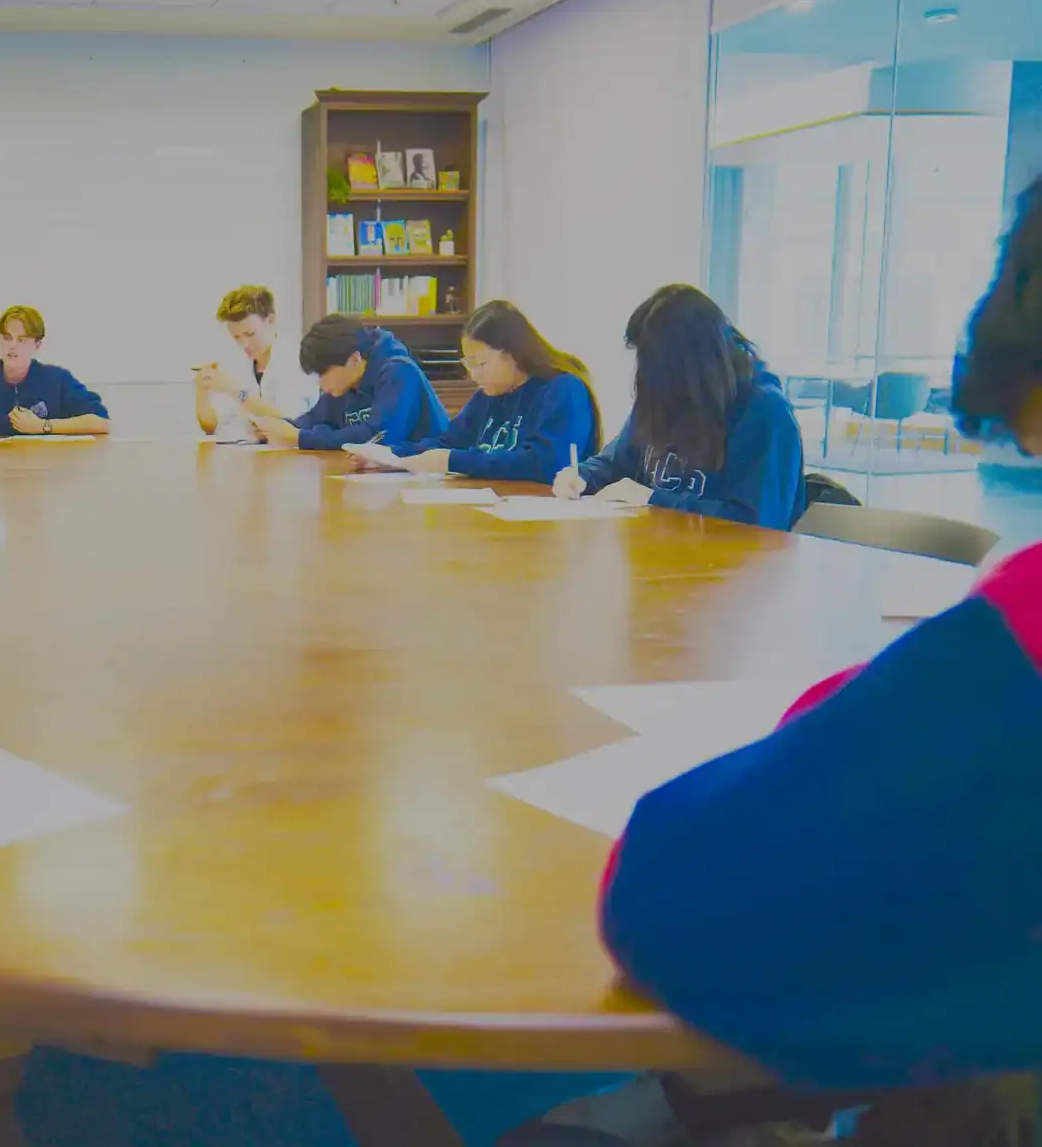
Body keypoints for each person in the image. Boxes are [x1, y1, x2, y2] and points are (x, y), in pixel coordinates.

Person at [501, 181, 1042, 1146]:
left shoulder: (1007, 647)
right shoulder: (661, 410)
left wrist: (846, 711)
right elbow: (625, 461)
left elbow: (665, 891)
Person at [550, 285, 805, 531]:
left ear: (691, 367)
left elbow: (757, 523)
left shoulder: (766, 413)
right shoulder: (663, 397)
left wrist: (653, 499)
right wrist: (582, 475)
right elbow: (615, 464)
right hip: (659, 559)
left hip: (729, 569)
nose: (648, 376)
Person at [359, 300, 600, 480]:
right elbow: (448, 441)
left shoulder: (563, 390)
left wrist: (455, 461)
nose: (474, 375)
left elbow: (546, 463)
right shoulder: (488, 397)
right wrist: (388, 455)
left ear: (512, 353)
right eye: (468, 364)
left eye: (480, 363)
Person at [251, 314, 449, 450]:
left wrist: (300, 438)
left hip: (432, 477)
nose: (321, 384)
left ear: (354, 359)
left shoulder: (398, 371)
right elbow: (315, 419)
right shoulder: (344, 384)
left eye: (324, 374)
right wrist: (277, 428)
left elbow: (379, 436)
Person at [0, 305, 110, 439]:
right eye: (7, 338)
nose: (12, 346)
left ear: (37, 345)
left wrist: (43, 426)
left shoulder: (57, 380)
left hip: (45, 473)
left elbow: (101, 423)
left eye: (21, 340)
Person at [194, 285, 318, 441]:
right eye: (237, 337)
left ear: (271, 320)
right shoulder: (237, 362)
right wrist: (201, 392)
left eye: (250, 334)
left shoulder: (298, 359)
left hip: (290, 457)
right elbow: (212, 426)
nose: (244, 344)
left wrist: (237, 392)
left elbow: (289, 422)